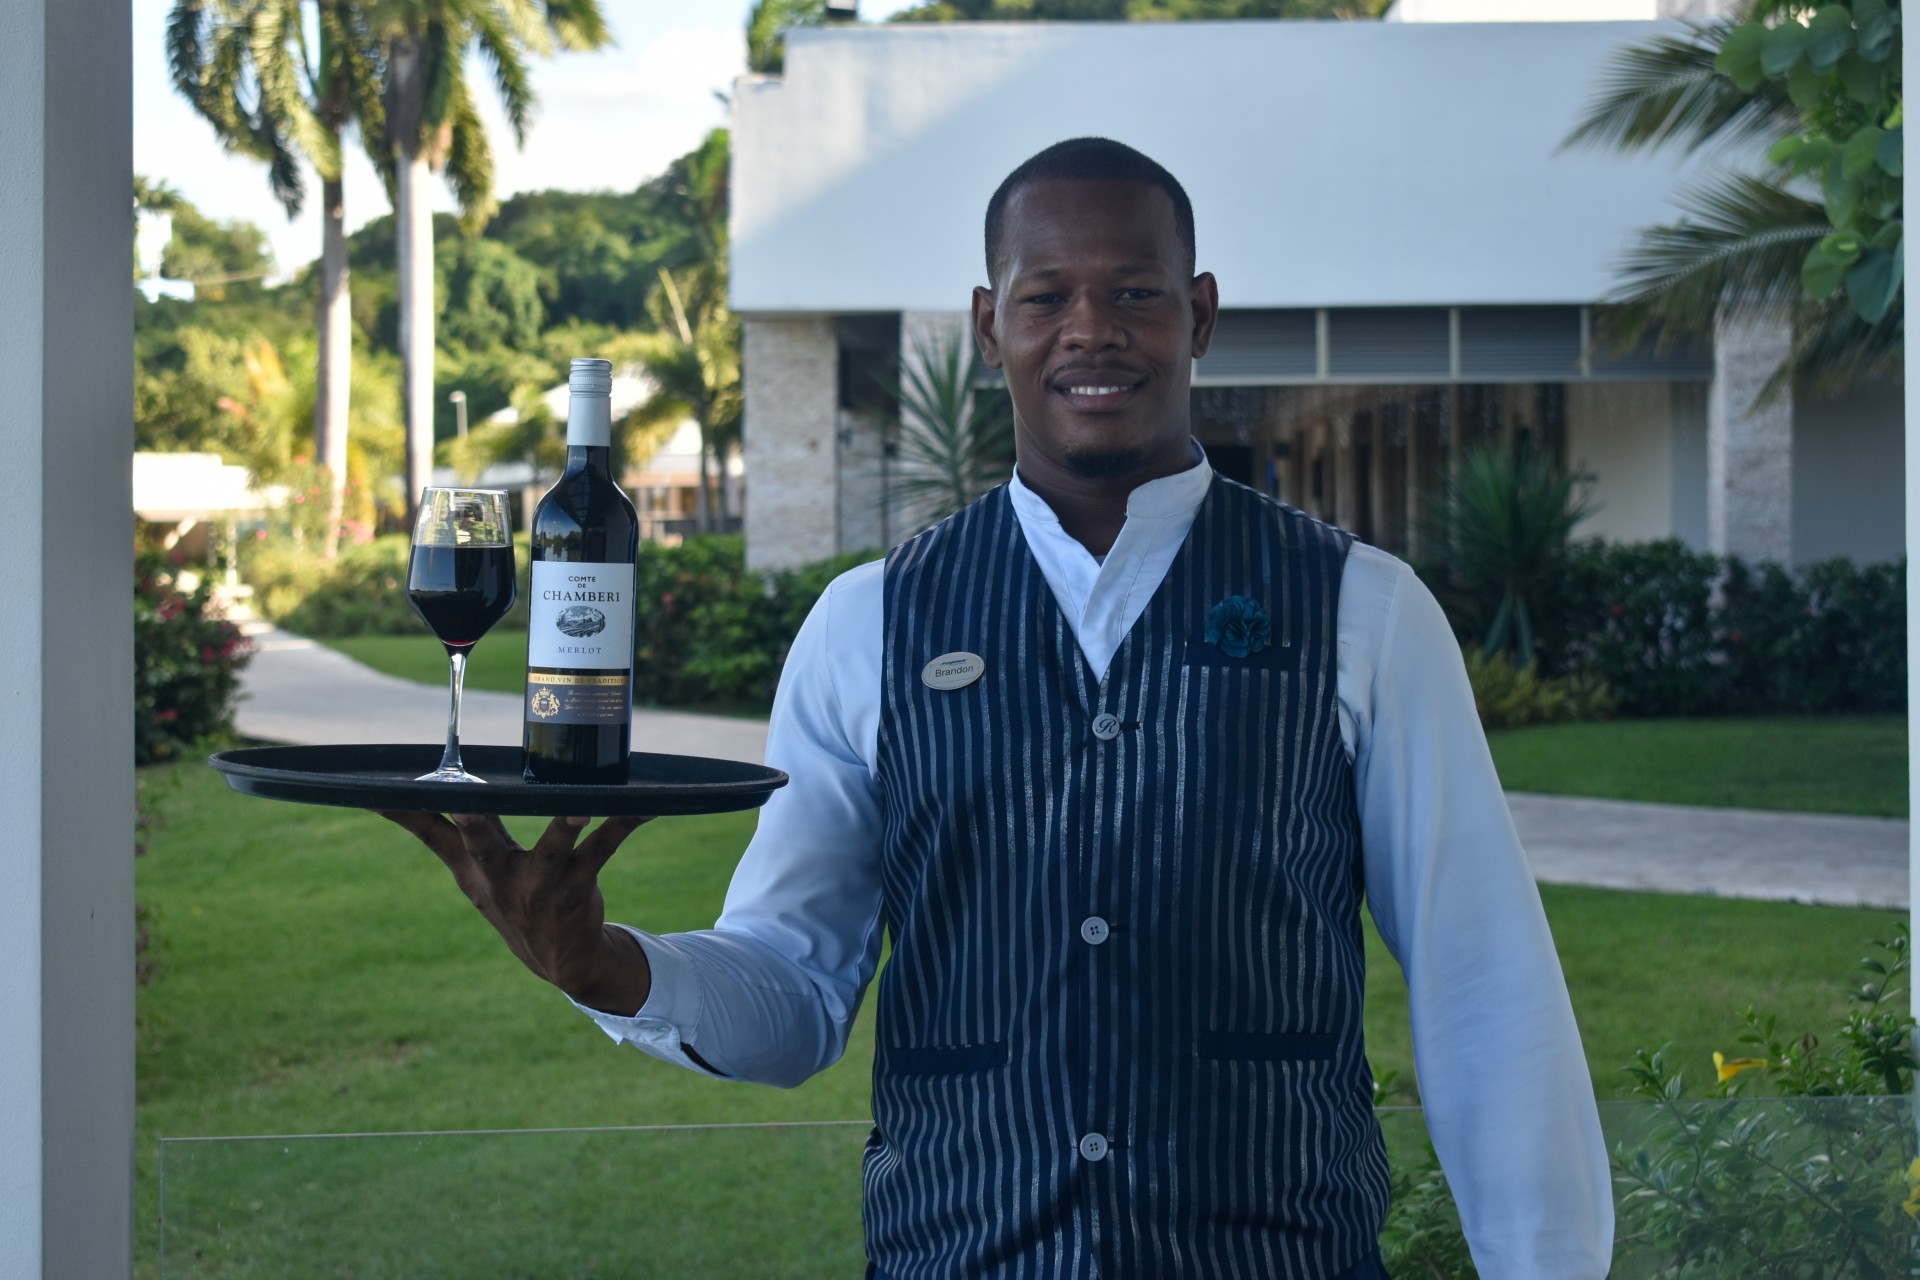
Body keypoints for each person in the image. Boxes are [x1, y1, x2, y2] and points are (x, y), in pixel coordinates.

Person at [383, 137, 1613, 1279]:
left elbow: (1484, 983)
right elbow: (795, 986)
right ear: (990, 325)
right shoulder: (868, 624)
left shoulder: (1362, 610)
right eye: (1045, 295)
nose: (1091, 329)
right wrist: (605, 967)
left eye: (1135, 291)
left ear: (1200, 314)